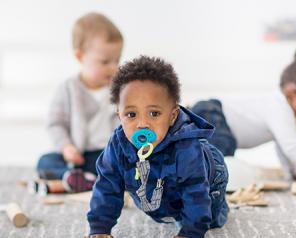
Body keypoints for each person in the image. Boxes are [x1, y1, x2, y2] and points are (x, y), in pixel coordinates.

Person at [86, 56, 229, 238]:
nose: (142, 124)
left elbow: (195, 192)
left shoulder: (185, 148)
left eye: (154, 113)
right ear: (119, 115)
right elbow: (106, 187)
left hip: (210, 173)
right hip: (158, 182)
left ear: (172, 116)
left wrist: (191, 232)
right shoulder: (118, 145)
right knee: (160, 206)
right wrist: (99, 229)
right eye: (131, 114)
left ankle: (210, 110)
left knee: (210, 220)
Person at [192, 51, 296, 181]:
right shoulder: (279, 107)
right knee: (219, 160)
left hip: (213, 116)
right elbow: (292, 148)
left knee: (217, 159)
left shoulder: (281, 110)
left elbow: (285, 147)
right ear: (292, 94)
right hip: (212, 115)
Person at [35, 12, 123, 193]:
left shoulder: (120, 89)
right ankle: (72, 178)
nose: (113, 67)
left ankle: (96, 179)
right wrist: (67, 147)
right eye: (105, 61)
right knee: (45, 162)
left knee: (131, 163)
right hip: (78, 158)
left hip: (107, 154)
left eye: (117, 60)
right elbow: (55, 123)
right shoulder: (68, 89)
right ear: (80, 57)